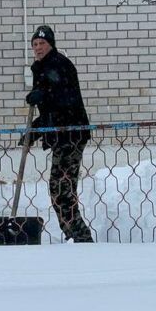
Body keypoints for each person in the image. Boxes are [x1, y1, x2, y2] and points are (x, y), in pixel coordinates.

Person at [24, 25, 94, 243]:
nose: (38, 48)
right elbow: (51, 109)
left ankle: (81, 239)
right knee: (60, 190)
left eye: (42, 43)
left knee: (62, 191)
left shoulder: (59, 65)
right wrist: (35, 130)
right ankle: (74, 237)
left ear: (51, 44)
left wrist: (42, 95)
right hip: (61, 135)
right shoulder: (42, 67)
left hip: (70, 135)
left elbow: (65, 100)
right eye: (35, 44)